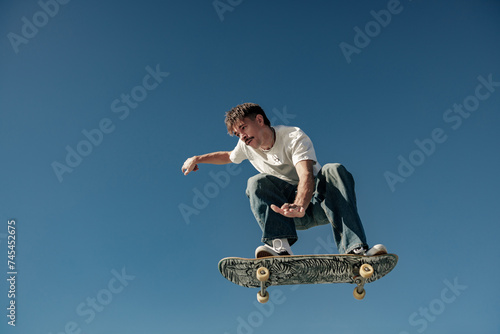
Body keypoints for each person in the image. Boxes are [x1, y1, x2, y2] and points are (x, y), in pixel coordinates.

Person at [181, 103, 387, 258]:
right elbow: (228, 156)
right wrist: (197, 158)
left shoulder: (293, 137)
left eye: (243, 128)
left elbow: (306, 174)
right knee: (256, 182)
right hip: (285, 214)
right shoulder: (246, 146)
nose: (241, 137)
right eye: (236, 133)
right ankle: (279, 247)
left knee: (334, 170)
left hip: (321, 204)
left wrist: (300, 204)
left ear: (260, 120)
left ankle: (355, 250)